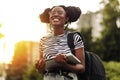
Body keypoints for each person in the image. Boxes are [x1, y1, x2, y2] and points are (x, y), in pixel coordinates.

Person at [35, 5, 85, 80]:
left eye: (60, 12)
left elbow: (82, 67)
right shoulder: (43, 40)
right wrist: (39, 68)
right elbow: (42, 70)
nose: (55, 14)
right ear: (49, 18)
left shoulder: (74, 37)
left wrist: (64, 65)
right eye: (53, 13)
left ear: (66, 18)